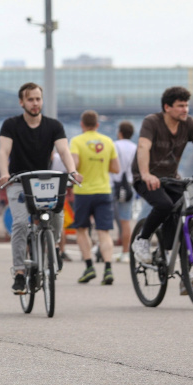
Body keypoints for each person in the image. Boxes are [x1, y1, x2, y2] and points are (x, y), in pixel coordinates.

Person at [0, 83, 82, 295]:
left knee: (57, 213)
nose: (35, 104)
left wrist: (72, 171)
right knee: (19, 223)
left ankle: (54, 247)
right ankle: (18, 272)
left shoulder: (53, 126)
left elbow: (64, 151)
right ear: (22, 102)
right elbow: (3, 152)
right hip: (18, 180)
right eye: (30, 100)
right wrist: (4, 173)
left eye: (38, 99)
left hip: (44, 181)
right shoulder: (11, 125)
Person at [131, 87, 193, 269]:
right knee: (164, 205)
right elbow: (143, 147)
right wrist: (145, 174)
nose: (185, 110)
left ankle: (185, 272)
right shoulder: (152, 122)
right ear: (167, 107)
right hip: (145, 177)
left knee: (187, 216)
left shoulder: (189, 124)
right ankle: (142, 239)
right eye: (180, 106)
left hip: (171, 178)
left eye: (187, 106)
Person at [70, 110, 120, 285]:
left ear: (82, 124)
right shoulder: (107, 141)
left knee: (82, 230)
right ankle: (108, 269)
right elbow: (116, 168)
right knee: (104, 232)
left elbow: (74, 165)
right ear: (97, 125)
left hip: (83, 193)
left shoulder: (76, 141)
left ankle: (89, 266)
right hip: (104, 191)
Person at [111, 121, 138, 262]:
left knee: (106, 219)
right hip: (129, 185)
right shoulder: (136, 148)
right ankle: (126, 252)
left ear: (120, 132)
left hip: (113, 184)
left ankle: (105, 248)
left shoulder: (115, 145)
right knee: (125, 220)